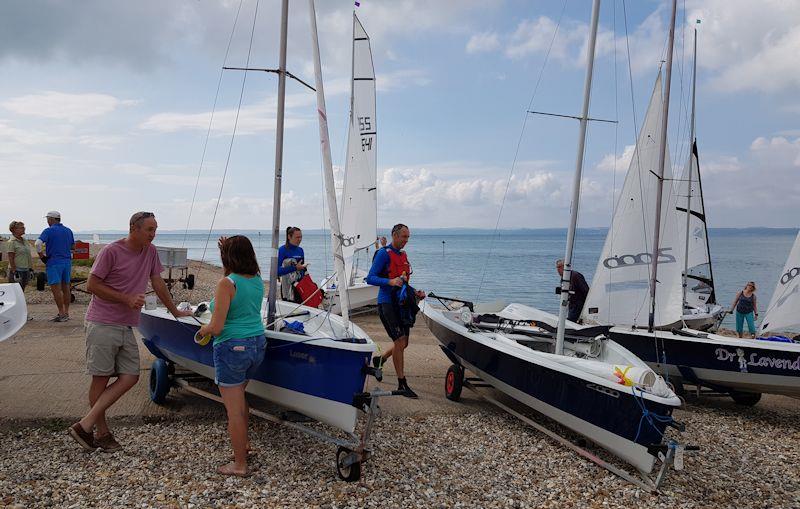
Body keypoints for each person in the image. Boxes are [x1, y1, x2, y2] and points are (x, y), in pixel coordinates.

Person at [68, 212, 192, 453]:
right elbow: (92, 285)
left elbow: (157, 282)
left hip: (126, 324)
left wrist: (175, 311)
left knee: (130, 376)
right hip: (102, 323)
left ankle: (85, 425)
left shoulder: (151, 251)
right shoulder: (111, 251)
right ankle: (101, 433)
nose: (153, 234)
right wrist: (125, 298)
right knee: (101, 378)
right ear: (134, 229)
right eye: (149, 229)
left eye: (155, 229)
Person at [197, 235, 266, 477]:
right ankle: (243, 445)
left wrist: (202, 330)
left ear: (228, 257)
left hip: (232, 347)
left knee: (233, 410)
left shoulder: (227, 284)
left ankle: (239, 464)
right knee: (240, 398)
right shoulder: (257, 280)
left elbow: (216, 328)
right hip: (257, 345)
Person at [366, 224, 426, 398]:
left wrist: (415, 292)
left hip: (402, 305)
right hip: (387, 303)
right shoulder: (383, 254)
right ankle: (402, 383)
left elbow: (403, 282)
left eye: (408, 237)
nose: (406, 241)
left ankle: (381, 359)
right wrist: (390, 282)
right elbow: (370, 278)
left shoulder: (403, 255)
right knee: (399, 342)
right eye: (403, 237)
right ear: (394, 235)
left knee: (404, 343)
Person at [35, 211, 75, 322]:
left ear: (51, 219)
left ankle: (61, 313)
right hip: (66, 262)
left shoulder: (48, 231)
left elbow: (37, 244)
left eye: (48, 219)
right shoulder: (68, 231)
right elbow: (73, 247)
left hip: (54, 262)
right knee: (66, 287)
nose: (47, 221)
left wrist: (42, 256)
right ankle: (66, 312)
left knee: (56, 289)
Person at [277, 226, 307, 301]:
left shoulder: (300, 250)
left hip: (300, 286)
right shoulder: (282, 250)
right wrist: (295, 268)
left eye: (301, 237)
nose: (299, 239)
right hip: (287, 287)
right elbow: (277, 271)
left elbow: (302, 269)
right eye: (297, 237)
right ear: (289, 237)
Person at [6, 221, 33, 289]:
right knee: (15, 291)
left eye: (24, 227)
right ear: (14, 229)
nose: (24, 228)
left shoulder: (25, 241)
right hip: (17, 271)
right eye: (21, 227)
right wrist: (15, 271)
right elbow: (10, 258)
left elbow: (28, 256)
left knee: (22, 290)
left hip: (25, 270)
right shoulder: (11, 242)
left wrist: (30, 269)